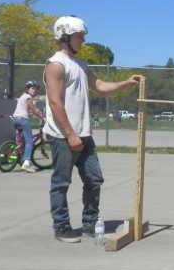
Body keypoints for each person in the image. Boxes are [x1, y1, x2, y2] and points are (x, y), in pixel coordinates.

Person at [43, 15, 143, 243]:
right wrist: (70, 134)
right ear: (65, 37)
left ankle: (89, 224)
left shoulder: (81, 65)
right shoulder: (56, 65)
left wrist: (126, 83)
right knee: (61, 183)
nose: (83, 41)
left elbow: (101, 87)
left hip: (84, 135)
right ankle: (62, 227)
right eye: (79, 36)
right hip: (63, 136)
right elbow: (55, 102)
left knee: (94, 180)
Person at [11, 80, 45, 173]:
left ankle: (19, 156)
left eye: (35, 89)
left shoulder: (22, 96)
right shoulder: (28, 97)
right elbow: (33, 109)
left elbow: (28, 109)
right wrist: (43, 118)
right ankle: (26, 163)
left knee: (22, 141)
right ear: (27, 89)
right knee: (30, 142)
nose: (34, 90)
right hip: (22, 120)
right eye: (32, 88)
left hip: (15, 120)